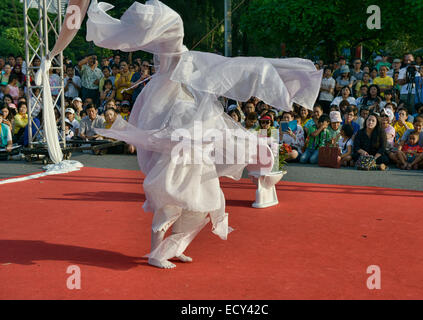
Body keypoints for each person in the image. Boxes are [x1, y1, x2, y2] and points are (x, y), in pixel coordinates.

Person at [85, 0, 322, 269]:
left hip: (197, 165)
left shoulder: (197, 98)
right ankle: (155, 253)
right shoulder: (171, 94)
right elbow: (175, 40)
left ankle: (173, 247)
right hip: (176, 166)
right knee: (170, 206)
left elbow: (228, 86)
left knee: (200, 206)